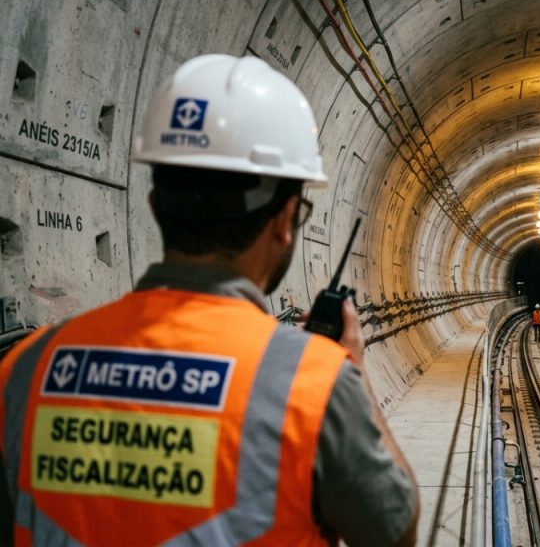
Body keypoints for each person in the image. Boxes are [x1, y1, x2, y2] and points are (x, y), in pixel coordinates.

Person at [0, 55, 418, 546]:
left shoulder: (24, 369)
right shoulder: (313, 383)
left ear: (155, 207)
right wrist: (354, 371)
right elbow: (394, 532)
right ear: (285, 220)